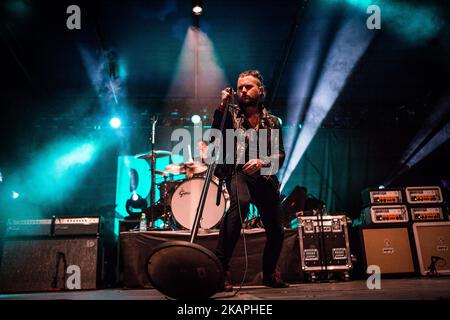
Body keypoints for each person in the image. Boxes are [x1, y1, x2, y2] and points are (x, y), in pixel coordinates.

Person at [212, 70, 288, 291]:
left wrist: (262, 162)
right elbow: (215, 136)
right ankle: (220, 270)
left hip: (264, 178)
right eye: (240, 87)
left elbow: (280, 155)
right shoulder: (231, 115)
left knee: (277, 229)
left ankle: (269, 273)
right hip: (238, 173)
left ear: (260, 90)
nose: (243, 90)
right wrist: (222, 107)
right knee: (241, 205)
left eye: (248, 86)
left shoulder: (272, 122)